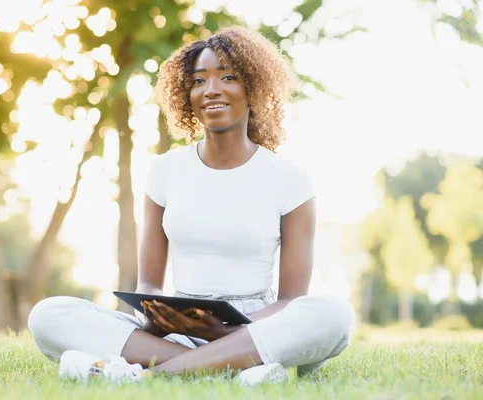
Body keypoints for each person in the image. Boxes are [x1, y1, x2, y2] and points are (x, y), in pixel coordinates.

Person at [27, 25, 355, 385]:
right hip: (176, 328)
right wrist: (158, 314)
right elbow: (149, 284)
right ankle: (234, 371)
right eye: (199, 81)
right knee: (48, 315)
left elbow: (292, 300)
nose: (212, 90)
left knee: (333, 316)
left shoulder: (288, 178)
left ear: (253, 87)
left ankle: (146, 376)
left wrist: (221, 331)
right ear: (187, 94)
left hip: (254, 329)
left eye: (228, 77)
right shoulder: (165, 170)